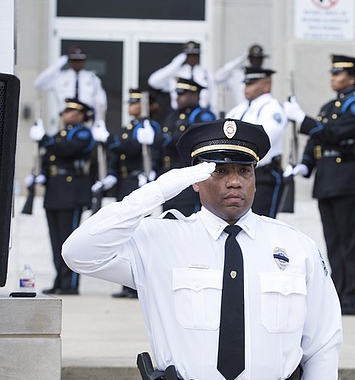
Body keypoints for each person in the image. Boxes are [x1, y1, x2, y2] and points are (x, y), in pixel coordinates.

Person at [62, 118, 342, 380]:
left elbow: (322, 342)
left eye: (244, 170)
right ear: (194, 180)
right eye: (219, 171)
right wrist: (154, 193)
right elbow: (78, 253)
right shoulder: (159, 239)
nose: (235, 181)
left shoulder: (296, 247)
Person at [283, 55, 355, 316]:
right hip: (327, 178)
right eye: (332, 73)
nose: (333, 78)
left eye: (338, 74)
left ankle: (351, 297)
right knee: (333, 241)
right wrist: (305, 164)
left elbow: (335, 133)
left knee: (350, 241)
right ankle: (338, 292)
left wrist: (303, 119)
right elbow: (317, 140)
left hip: (349, 178)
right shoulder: (328, 106)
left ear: (352, 77)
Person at [93, 89, 166, 298]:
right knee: (125, 234)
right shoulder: (129, 128)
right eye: (130, 103)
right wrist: (111, 175)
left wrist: (154, 169)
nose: (130, 106)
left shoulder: (151, 127)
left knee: (142, 233)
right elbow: (119, 153)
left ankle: (139, 284)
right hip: (127, 183)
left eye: (135, 103)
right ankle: (127, 284)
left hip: (142, 180)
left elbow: (157, 151)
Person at [27, 98, 96, 295]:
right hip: (54, 190)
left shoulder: (83, 133)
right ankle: (59, 280)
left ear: (81, 115)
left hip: (71, 191)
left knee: (68, 239)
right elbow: (51, 156)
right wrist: (40, 174)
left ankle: (70, 284)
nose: (65, 115)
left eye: (70, 112)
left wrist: (44, 139)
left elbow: (66, 150)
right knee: (55, 240)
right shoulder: (61, 134)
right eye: (65, 112)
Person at [226, 67, 288, 217]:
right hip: (237, 173)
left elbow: (265, 138)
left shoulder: (272, 107)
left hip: (263, 174)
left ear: (266, 85)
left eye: (252, 83)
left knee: (263, 222)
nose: (246, 88)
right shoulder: (238, 110)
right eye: (246, 83)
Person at [161, 77, 216, 215]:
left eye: (182, 93)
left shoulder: (202, 116)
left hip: (189, 173)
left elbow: (187, 141)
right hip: (169, 173)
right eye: (178, 93)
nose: (178, 97)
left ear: (195, 95)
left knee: (188, 219)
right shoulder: (172, 116)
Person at [34, 45, 108, 115]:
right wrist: (55, 66)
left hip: (86, 120)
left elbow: (101, 102)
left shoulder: (92, 78)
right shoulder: (60, 77)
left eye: (80, 60)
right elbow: (38, 84)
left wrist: (97, 120)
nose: (77, 63)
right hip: (65, 118)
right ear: (70, 61)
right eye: (74, 60)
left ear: (84, 61)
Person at [148, 41, 217, 115]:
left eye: (194, 55)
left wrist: (215, 115)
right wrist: (175, 64)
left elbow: (214, 97)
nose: (192, 58)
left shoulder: (206, 74)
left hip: (201, 113)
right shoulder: (176, 73)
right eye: (189, 55)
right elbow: (153, 82)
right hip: (179, 113)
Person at [214, 44, 268, 113]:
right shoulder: (238, 75)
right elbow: (218, 77)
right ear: (249, 59)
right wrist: (241, 59)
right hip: (241, 114)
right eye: (254, 59)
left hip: (260, 113)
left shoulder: (264, 77)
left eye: (259, 59)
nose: (257, 62)